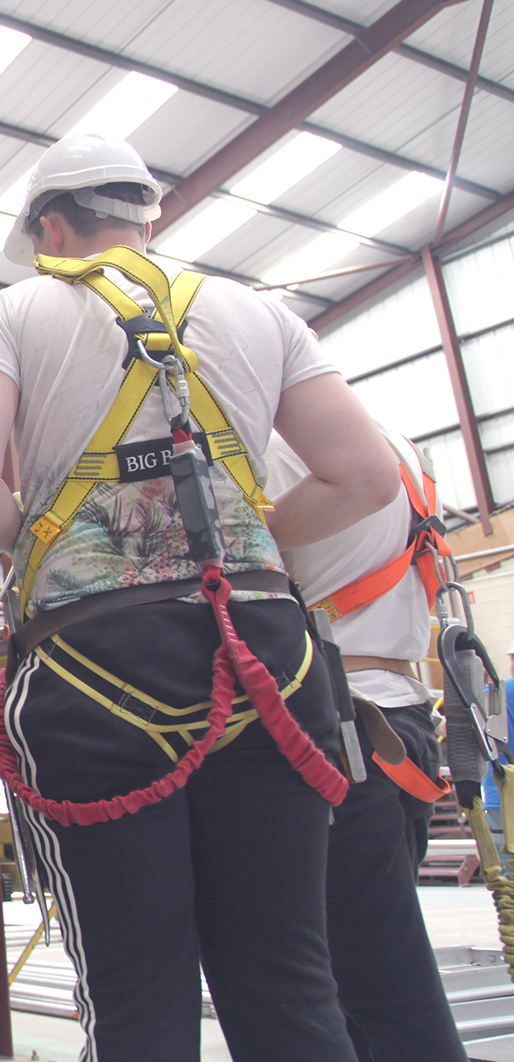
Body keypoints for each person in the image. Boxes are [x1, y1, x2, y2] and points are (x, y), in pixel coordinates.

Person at [0, 133, 400, 1062]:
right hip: (268, 658)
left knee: (137, 999)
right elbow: (366, 475)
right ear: (148, 219)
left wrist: (53, 545)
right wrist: (248, 539)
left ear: (49, 230)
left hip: (96, 669)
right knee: (290, 988)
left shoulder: (16, 312)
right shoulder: (258, 312)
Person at [265, 428, 467, 1062]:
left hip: (340, 727)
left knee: (380, 987)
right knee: (359, 981)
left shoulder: (274, 445)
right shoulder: (398, 446)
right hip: (402, 720)